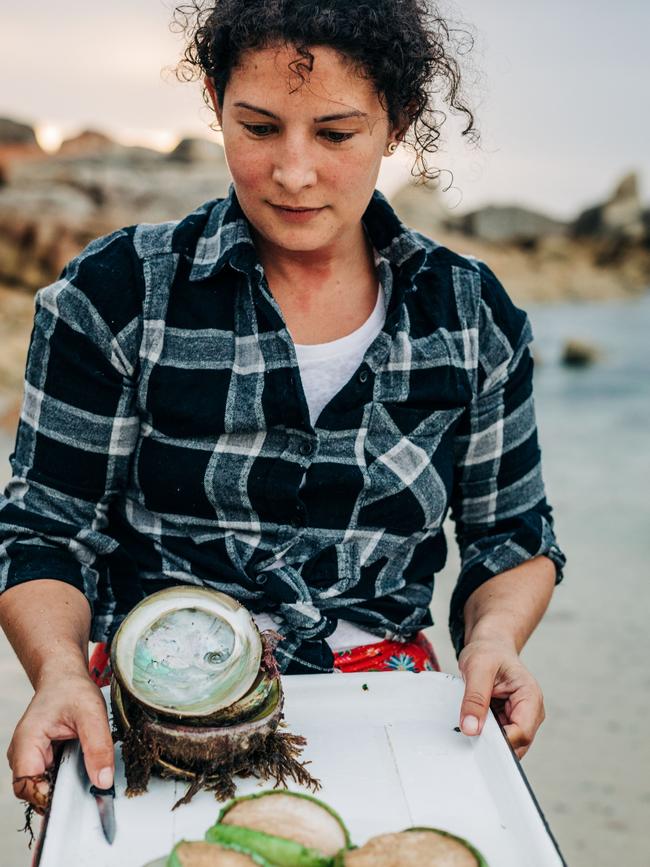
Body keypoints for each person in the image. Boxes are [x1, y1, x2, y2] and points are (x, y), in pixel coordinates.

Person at [0, 0, 565, 815]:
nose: (294, 172)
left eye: (336, 134)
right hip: (153, 720)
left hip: (401, 716)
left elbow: (511, 536)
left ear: (396, 122)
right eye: (258, 127)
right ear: (214, 101)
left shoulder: (470, 316)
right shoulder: (119, 295)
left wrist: (495, 639)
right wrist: (56, 672)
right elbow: (45, 530)